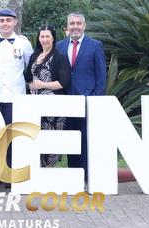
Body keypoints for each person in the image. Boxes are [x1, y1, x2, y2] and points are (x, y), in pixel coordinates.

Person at [0, 8, 34, 171]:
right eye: (2, 20)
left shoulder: (24, 43)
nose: (5, 24)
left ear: (15, 22)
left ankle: (11, 172)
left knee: (13, 135)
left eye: (8, 20)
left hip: (15, 97)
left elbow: (31, 67)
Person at [56, 12, 106, 183]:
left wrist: (96, 99)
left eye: (78, 23)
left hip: (87, 102)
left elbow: (101, 76)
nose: (75, 27)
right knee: (70, 140)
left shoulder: (95, 46)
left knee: (86, 140)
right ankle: (73, 176)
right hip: (65, 102)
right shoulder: (59, 46)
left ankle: (86, 176)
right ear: (67, 26)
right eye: (72, 23)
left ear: (84, 26)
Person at [24, 24, 71, 166]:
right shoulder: (34, 55)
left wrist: (42, 85)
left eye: (47, 36)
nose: (44, 39)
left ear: (53, 38)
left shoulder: (60, 57)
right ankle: (37, 172)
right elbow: (28, 77)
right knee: (35, 141)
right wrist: (31, 85)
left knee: (51, 144)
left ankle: (49, 172)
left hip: (53, 107)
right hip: (35, 107)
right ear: (38, 38)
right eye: (42, 36)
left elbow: (64, 83)